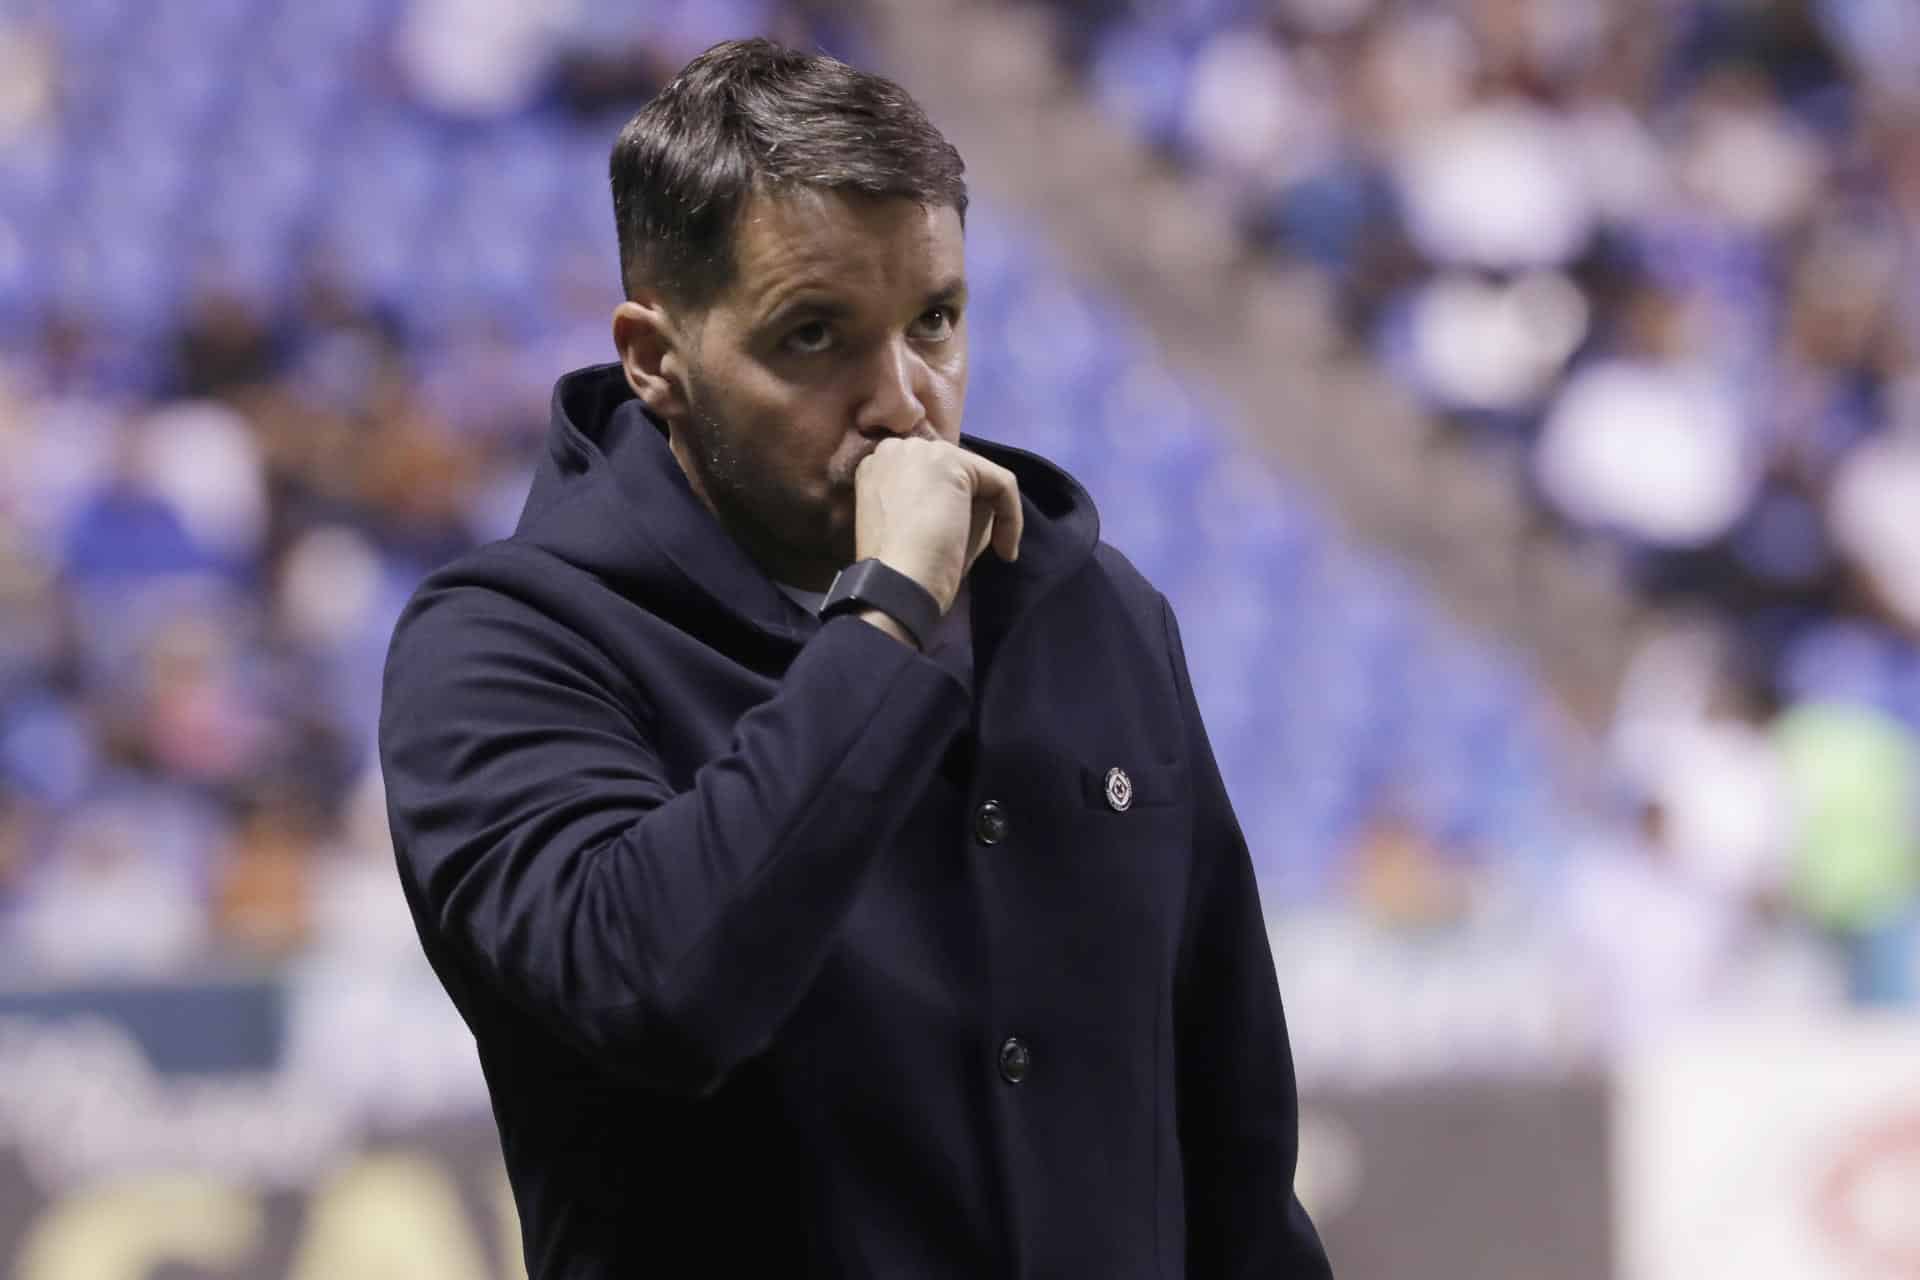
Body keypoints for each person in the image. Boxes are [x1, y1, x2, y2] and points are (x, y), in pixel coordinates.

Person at [379, 37, 1331, 1278]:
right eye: (815, 335)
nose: (905, 400)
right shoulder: (508, 645)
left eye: (933, 320)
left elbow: (1234, 1149)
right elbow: (657, 990)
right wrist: (890, 614)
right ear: (655, 357)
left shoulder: (1093, 613)